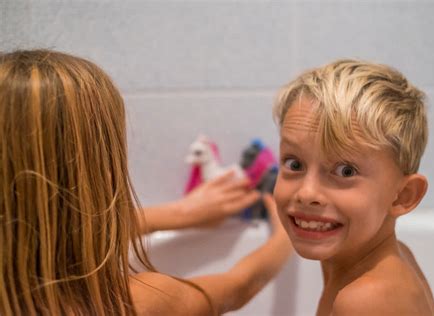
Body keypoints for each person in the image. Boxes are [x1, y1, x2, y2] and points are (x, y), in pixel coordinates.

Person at [0, 49, 292, 315]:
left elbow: (45, 228)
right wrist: (284, 235)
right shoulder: (135, 302)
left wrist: (180, 214)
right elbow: (238, 287)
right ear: (96, 170)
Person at [272, 60, 434, 315]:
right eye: (295, 164)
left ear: (403, 196)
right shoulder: (391, 256)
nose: (306, 194)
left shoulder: (366, 301)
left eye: (345, 171)